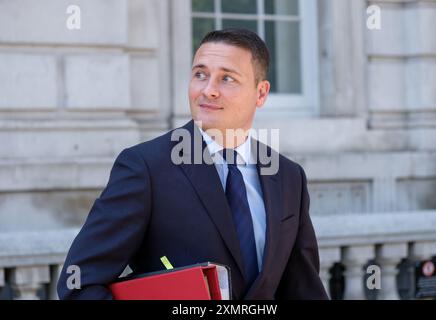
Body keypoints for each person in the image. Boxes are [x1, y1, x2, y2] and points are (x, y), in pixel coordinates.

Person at [57, 28, 328, 300]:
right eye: (200, 74)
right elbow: (79, 283)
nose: (208, 90)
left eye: (227, 79)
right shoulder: (145, 168)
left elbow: (304, 289)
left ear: (261, 93)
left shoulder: (288, 177)